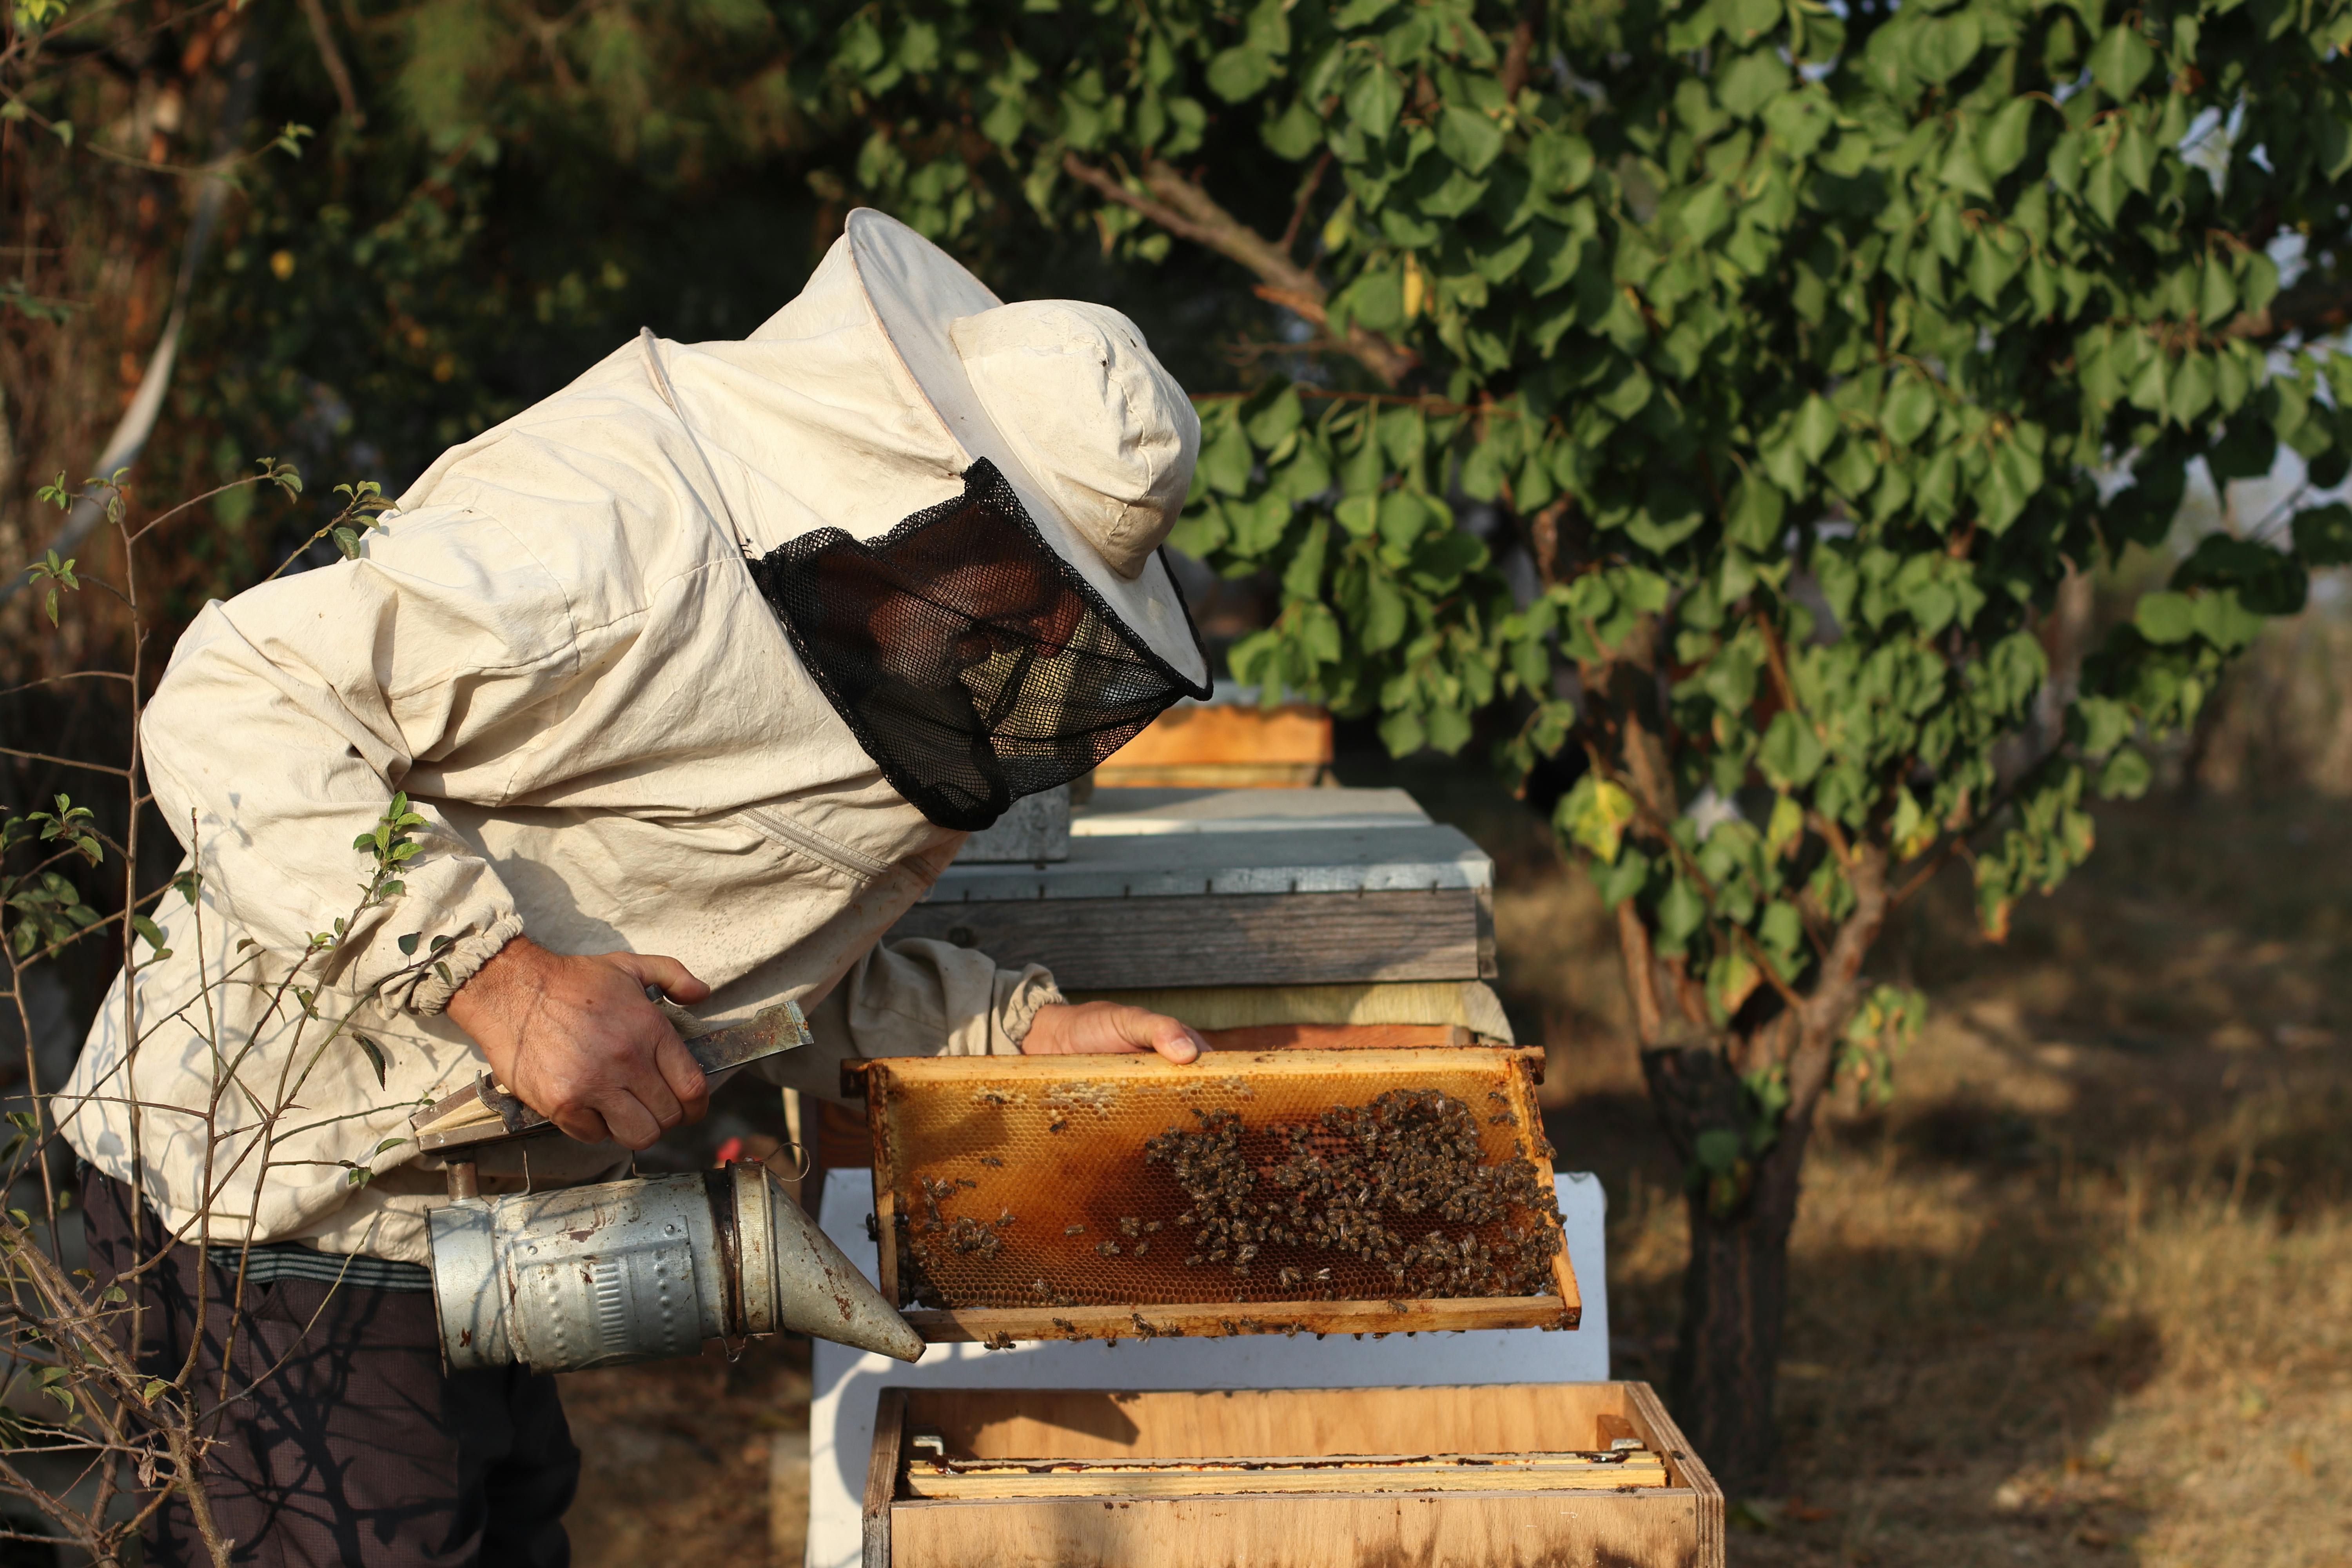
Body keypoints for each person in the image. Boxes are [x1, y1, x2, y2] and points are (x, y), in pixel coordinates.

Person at [60, 209, 1215, 1566]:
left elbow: (741, 941)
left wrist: (999, 1031)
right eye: (1038, 587)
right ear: (938, 498)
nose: (1052, 641)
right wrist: (492, 977)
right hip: (264, 1212)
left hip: (472, 1245)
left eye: (1080, 610)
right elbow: (236, 700)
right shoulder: (609, 538)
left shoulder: (855, 642)